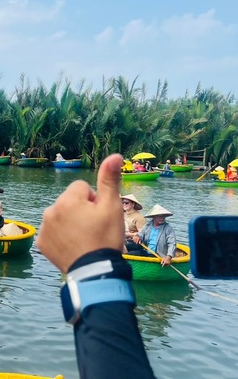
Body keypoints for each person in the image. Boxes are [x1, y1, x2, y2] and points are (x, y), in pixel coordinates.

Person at [36, 153, 155, 378]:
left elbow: (141, 234)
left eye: (127, 202)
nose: (125, 204)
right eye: (124, 202)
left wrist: (90, 268)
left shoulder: (139, 217)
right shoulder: (124, 214)